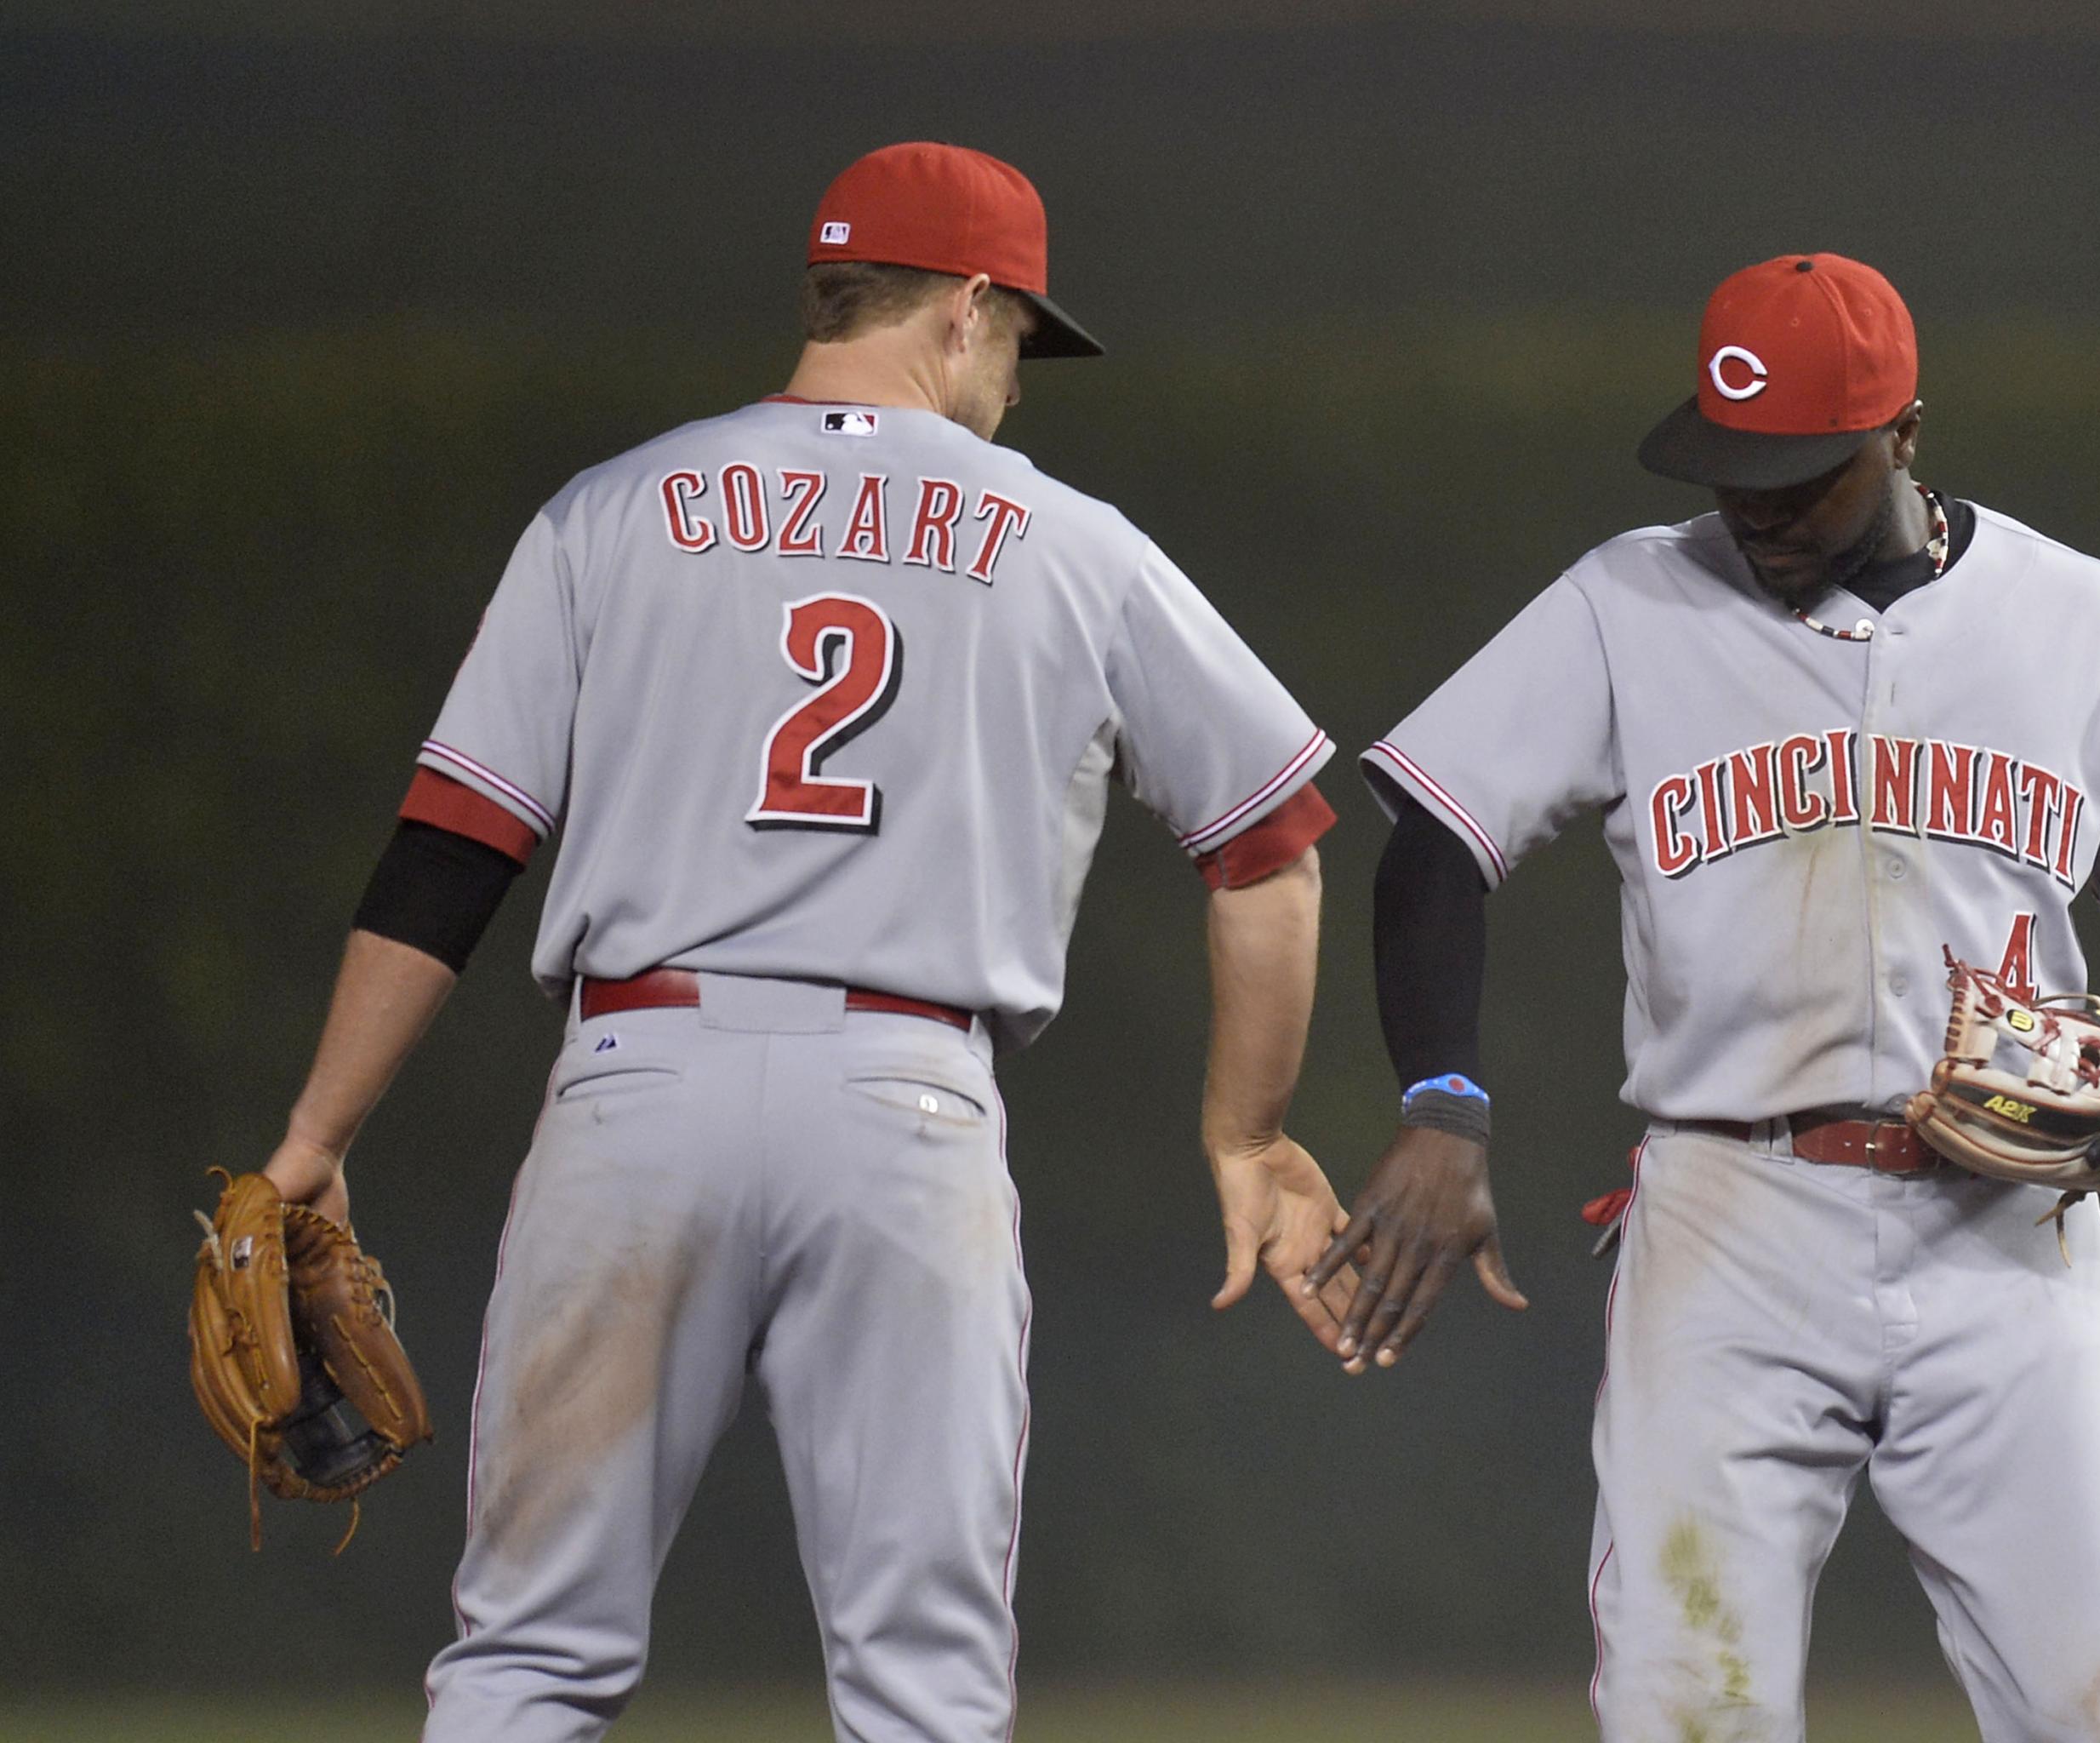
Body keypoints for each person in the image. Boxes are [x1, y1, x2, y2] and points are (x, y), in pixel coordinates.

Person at [254, 140, 1354, 1742]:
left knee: (527, 1660)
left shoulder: (610, 510)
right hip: (905, 1109)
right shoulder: (1072, 542)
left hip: (636, 1089)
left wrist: (314, 1136)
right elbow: (1272, 847)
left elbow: (455, 844)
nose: (1021, 385)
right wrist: (1245, 1134)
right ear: (972, 306)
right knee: (923, 1687)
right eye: (1024, 343)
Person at [1308, 253, 2100, 1743]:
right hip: (1730, 1226)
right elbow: (1438, 839)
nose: (1755, 508)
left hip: (2007, 1230)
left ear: (1906, 435)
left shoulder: (2092, 623)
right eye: (1730, 468)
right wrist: (1441, 1098)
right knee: (1693, 1715)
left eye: (1800, 477)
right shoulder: (1629, 599)